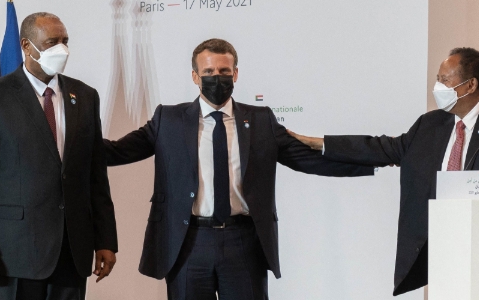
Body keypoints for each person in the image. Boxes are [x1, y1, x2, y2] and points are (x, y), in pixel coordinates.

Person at [104, 38, 373, 300]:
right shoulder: (169, 119)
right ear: (195, 77)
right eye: (208, 71)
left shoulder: (260, 120)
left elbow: (309, 160)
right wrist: (67, 143)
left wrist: (375, 160)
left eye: (223, 71)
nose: (216, 78)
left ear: (235, 74)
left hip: (243, 242)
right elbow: (118, 151)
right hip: (188, 242)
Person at [288, 47, 479, 296]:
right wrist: (321, 143)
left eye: (445, 80)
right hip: (438, 245)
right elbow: (382, 148)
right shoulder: (430, 124)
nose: (438, 87)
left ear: (470, 85)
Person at [0, 12, 118, 300]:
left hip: (72, 252)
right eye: (52, 42)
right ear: (26, 45)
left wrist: (106, 240)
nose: (62, 49)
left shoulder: (84, 96)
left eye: (65, 41)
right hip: (14, 255)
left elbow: (95, 175)